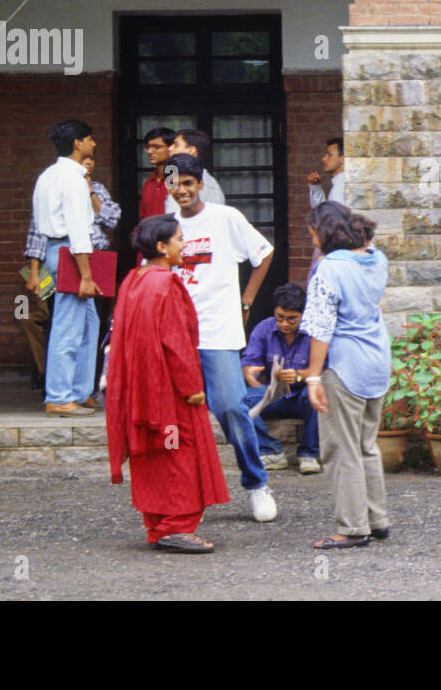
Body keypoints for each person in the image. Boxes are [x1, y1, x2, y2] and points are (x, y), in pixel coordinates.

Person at [104, 215, 229, 552]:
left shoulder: (134, 279)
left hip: (141, 387)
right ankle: (176, 526)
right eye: (178, 238)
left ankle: (158, 525)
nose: (183, 244)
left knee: (155, 453)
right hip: (168, 390)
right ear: (161, 247)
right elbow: (175, 343)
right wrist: (192, 387)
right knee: (180, 451)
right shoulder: (166, 284)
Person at [168, 152, 278, 522]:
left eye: (188, 183)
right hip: (175, 336)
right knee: (176, 418)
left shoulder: (225, 218)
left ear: (200, 184)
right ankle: (182, 495)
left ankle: (256, 483)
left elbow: (263, 254)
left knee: (231, 405)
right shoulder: (164, 227)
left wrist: (248, 300)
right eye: (174, 183)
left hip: (217, 330)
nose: (181, 190)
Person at [301, 201, 391, 549]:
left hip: (345, 363)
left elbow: (322, 327)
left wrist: (312, 376)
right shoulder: (377, 259)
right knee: (367, 444)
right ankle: (377, 518)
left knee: (342, 449)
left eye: (312, 234)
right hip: (377, 359)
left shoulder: (329, 268)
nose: (312, 242)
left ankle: (353, 528)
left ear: (323, 231)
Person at [29, 120, 102, 417]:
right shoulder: (73, 178)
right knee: (67, 328)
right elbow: (78, 230)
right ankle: (59, 396)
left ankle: (80, 391)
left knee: (88, 323)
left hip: (55, 251)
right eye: (89, 139)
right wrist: (85, 275)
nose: (93, 144)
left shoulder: (47, 175)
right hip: (69, 253)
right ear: (77, 143)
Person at [241, 282, 321, 475]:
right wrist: (249, 372)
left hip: (303, 395)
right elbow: (249, 362)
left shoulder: (315, 331)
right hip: (272, 395)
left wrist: (299, 375)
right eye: (280, 317)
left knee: (317, 394)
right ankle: (271, 451)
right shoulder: (264, 329)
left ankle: (308, 454)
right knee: (238, 401)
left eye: (291, 319)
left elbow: (325, 370)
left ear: (303, 315)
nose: (285, 323)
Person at [165, 129, 226, 215]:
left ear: (191, 150)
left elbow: (173, 215)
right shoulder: (173, 173)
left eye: (176, 145)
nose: (169, 149)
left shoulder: (206, 183)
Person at [138, 126, 176, 221]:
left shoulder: (174, 177)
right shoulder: (149, 182)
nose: (150, 151)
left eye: (157, 147)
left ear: (171, 148)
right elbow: (143, 216)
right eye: (148, 147)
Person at [308, 137, 346, 209]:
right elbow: (323, 212)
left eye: (329, 155)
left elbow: (329, 217)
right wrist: (316, 187)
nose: (324, 159)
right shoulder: (340, 185)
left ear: (342, 159)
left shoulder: (340, 189)